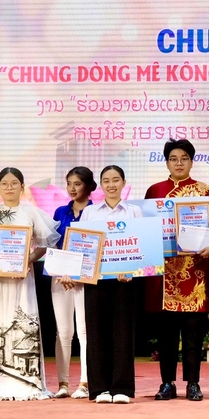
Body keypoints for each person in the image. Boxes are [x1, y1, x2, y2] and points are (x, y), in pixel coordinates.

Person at [144, 139, 209, 402]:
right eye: (173, 159)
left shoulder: (205, 191)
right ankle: (167, 383)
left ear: (191, 161)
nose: (179, 163)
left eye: (184, 158)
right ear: (166, 162)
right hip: (164, 275)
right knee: (166, 336)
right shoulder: (154, 191)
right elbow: (143, 229)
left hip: (195, 274)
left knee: (193, 335)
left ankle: (193, 383)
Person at [0, 167, 60, 401]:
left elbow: (44, 245)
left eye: (14, 183)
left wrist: (27, 260)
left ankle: (28, 383)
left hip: (23, 278)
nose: (9, 187)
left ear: (22, 186)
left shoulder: (32, 213)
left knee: (22, 320)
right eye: (4, 184)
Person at [81, 165, 143, 404]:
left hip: (124, 281)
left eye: (116, 180)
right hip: (96, 281)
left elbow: (141, 245)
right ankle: (99, 389)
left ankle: (122, 388)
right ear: (101, 185)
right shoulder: (90, 213)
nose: (111, 185)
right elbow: (82, 244)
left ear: (124, 182)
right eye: (106, 180)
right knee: (96, 334)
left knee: (123, 334)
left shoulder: (134, 211)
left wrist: (132, 270)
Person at [50, 166, 95, 399]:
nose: (72, 188)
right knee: (63, 331)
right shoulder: (60, 212)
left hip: (86, 278)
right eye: (69, 184)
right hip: (60, 277)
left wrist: (77, 273)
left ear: (88, 186)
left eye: (77, 184)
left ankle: (85, 382)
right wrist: (63, 271)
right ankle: (63, 383)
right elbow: (53, 245)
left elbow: (96, 247)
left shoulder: (95, 212)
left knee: (85, 331)